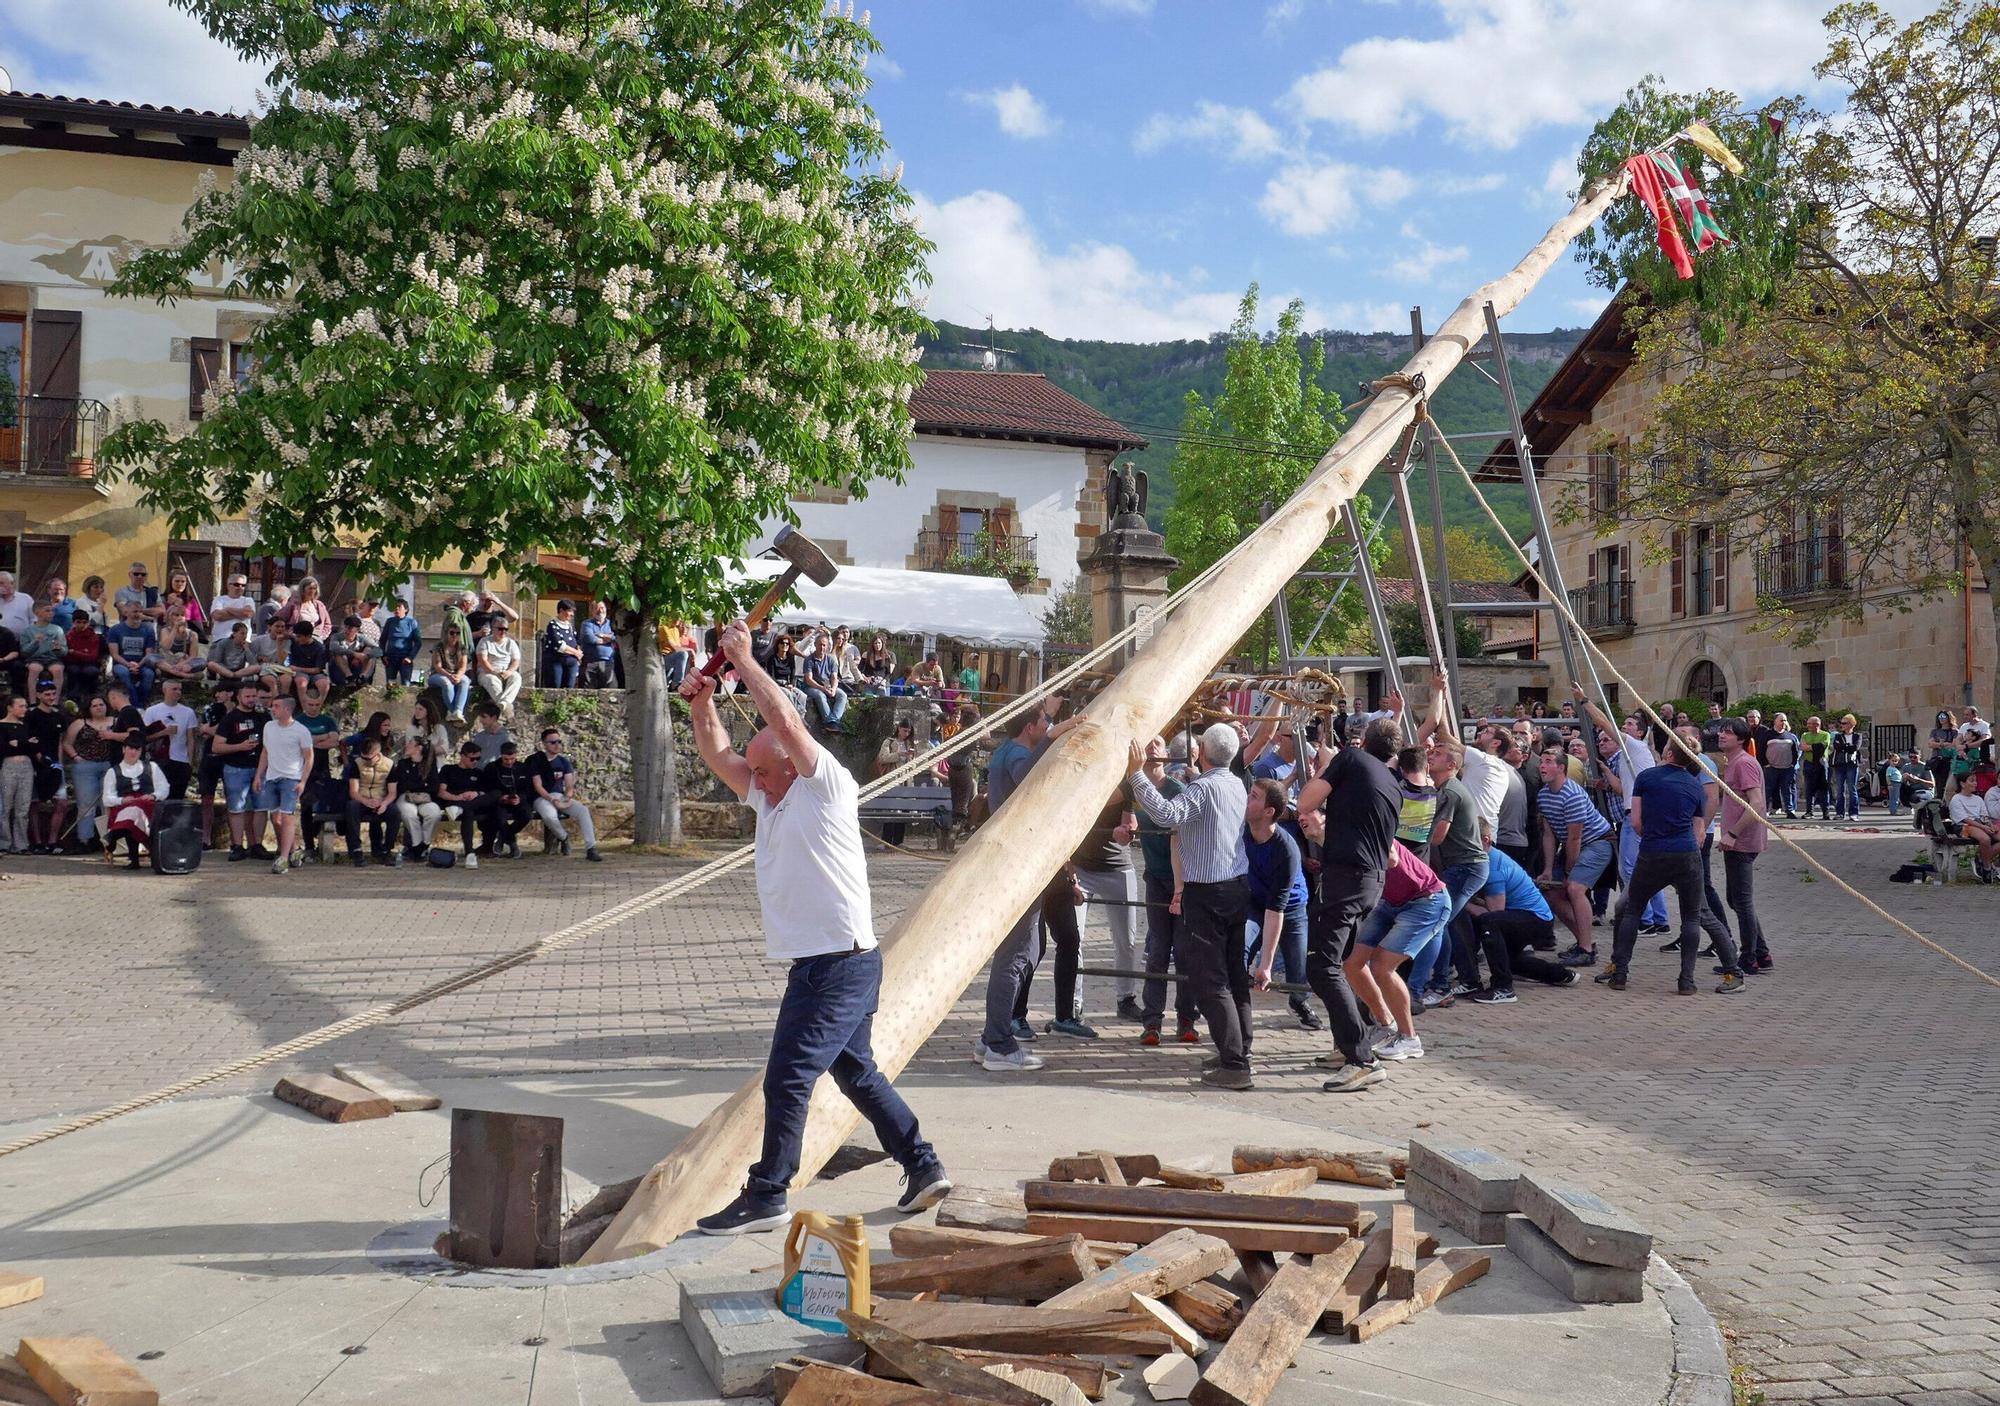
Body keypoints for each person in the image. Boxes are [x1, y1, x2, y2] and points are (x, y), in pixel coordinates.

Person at [679, 621, 951, 1234]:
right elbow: (720, 753)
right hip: (829, 960)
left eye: (763, 771)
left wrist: (745, 664)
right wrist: (702, 704)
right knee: (855, 1071)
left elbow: (789, 725)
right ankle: (923, 1164)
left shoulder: (824, 786)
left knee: (788, 1077)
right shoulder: (770, 797)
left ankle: (768, 1193)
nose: (754, 781)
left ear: (787, 765)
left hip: (838, 961)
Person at [1126, 723, 1255, 1091]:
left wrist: (1137, 775)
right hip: (1234, 886)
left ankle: (1234, 1063)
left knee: (1209, 979)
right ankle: (1239, 1050)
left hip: (1208, 891)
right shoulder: (1235, 783)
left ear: (1201, 749)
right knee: (1233, 975)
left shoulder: (1205, 787)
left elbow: (1167, 815)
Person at [1292, 710, 1402, 1094]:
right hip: (1371, 881)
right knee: (1337, 965)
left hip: (1346, 881)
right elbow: (1386, 853)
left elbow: (1305, 803)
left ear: (1364, 741)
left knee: (1322, 967)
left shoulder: (1351, 760)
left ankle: (1361, 1058)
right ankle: (1346, 1046)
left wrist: (1325, 772)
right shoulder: (1392, 782)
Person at [1600, 736, 1746, 994]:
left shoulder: (1646, 778)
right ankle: (1688, 981)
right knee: (1694, 916)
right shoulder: (1694, 786)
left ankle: (1620, 972)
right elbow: (1699, 830)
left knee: (1631, 910)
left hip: (1652, 853)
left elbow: (1635, 822)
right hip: (1686, 854)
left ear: (1668, 754)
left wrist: (1655, 836)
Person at [974, 701, 1060, 1072]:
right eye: (1045, 721)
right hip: (1017, 862)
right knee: (1014, 954)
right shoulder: (1016, 753)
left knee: (1031, 946)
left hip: (1018, 860)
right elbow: (1029, 777)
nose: (1049, 724)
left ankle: (991, 1036)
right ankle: (999, 1043)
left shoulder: (1006, 750)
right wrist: (1055, 737)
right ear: (1030, 727)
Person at [1573, 684, 1668, 934]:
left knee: (1629, 868)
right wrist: (1607, 777)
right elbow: (1624, 789)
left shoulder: (1634, 746)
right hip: (1642, 811)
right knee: (1647, 868)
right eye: (1623, 725)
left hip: (1635, 815)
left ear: (1638, 733)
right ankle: (1660, 919)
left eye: (1628, 725)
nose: (1623, 728)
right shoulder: (1634, 756)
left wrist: (1585, 701)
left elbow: (1604, 723)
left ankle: (1644, 920)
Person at [1346, 840, 1448, 1062]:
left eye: (1309, 813)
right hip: (1389, 901)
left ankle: (1410, 1039)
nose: (1302, 818)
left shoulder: (1367, 827)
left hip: (1427, 900)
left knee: (1382, 967)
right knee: (1352, 962)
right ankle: (1386, 1025)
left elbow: (1391, 859)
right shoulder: (1334, 839)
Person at [1133, 734, 1201, 1047]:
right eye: (1146, 743)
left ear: (1166, 753)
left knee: (1186, 951)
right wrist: (1123, 832)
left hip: (1183, 882)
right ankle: (1152, 1022)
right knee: (1158, 951)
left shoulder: (1178, 790)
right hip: (1155, 879)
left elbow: (1184, 835)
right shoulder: (1133, 789)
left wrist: (1182, 887)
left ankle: (1187, 1018)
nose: (1151, 747)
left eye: (1157, 742)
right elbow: (1123, 828)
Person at [1067, 772, 1144, 1028]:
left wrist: (1127, 833)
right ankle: (1074, 1003)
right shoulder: (1076, 778)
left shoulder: (1125, 781)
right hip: (1082, 868)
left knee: (1127, 939)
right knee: (1074, 939)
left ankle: (1126, 998)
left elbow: (1129, 822)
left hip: (1117, 868)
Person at [1243, 777, 1320, 1031]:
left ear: (1269, 812)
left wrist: (1265, 966)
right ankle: (1231, 1004)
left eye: (1254, 796)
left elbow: (1276, 910)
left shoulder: (1286, 849)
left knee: (1297, 972)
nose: (1247, 799)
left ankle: (1299, 1003)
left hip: (1291, 909)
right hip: (1256, 902)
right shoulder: (1242, 830)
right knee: (1239, 949)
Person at [1464, 848, 1576, 1003]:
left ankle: (1503, 988)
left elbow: (1494, 913)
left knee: (1489, 923)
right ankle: (1561, 975)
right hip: (1532, 916)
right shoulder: (1489, 857)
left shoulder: (1493, 867)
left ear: (1486, 840)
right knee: (1510, 962)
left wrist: (1462, 902)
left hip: (1536, 919)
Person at [1536, 744, 1615, 966]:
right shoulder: (1544, 796)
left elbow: (1575, 838)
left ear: (1561, 768)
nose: (1542, 766)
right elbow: (1550, 835)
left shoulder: (1572, 795)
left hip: (1598, 842)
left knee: (1574, 888)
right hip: (1574, 844)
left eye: (1548, 762)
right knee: (1551, 891)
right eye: (1541, 762)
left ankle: (1586, 949)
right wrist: (1549, 869)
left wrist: (1570, 869)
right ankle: (1584, 941)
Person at [1717, 719, 1771, 972]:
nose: (1722, 736)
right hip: (1737, 842)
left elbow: (1757, 803)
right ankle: (1761, 953)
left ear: (1741, 739)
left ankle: (1748, 958)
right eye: (1721, 732)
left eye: (1728, 733)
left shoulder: (1744, 763)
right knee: (1736, 899)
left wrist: (1733, 834)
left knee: (1741, 900)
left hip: (1743, 842)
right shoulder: (1733, 763)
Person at [254, 693, 316, 874]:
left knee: (287, 817)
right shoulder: (268, 727)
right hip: (272, 777)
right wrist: (259, 775)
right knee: (276, 818)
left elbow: (309, 757)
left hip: (291, 778)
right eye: (273, 706)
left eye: (276, 706)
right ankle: (295, 850)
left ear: (288, 709)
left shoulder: (301, 731)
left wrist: (303, 781)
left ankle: (283, 858)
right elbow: (265, 752)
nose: (272, 709)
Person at [212, 682, 270, 861]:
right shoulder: (231, 718)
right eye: (248, 696)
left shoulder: (263, 716)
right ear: (238, 697)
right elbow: (217, 746)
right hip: (236, 768)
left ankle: (257, 845)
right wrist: (240, 746)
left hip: (260, 768)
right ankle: (237, 845)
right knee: (236, 808)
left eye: (254, 696)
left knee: (261, 808)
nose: (252, 700)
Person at [530, 727, 602, 860]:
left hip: (559, 796)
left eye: (559, 741)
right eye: (553, 742)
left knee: (583, 811)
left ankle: (591, 848)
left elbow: (569, 784)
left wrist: (567, 797)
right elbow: (538, 786)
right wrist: (552, 800)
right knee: (549, 816)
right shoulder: (536, 761)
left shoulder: (564, 762)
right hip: (542, 797)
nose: (557, 745)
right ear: (544, 744)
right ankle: (564, 837)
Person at [100, 735, 169, 866]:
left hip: (148, 808)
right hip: (122, 809)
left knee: (137, 807)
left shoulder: (152, 767)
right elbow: (107, 798)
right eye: (130, 748)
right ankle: (133, 857)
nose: (133, 752)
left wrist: (153, 796)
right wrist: (122, 800)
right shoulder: (113, 772)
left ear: (141, 751)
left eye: (137, 749)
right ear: (123, 749)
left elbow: (164, 788)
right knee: (133, 811)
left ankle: (113, 837)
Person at [438, 739, 497, 867]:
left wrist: (476, 794)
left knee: (495, 795)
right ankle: (469, 853)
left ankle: (462, 808)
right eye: (472, 759)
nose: (475, 761)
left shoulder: (478, 773)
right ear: (463, 756)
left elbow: (486, 792)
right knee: (468, 812)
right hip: (454, 802)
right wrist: (457, 797)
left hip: (473, 803)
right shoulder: (448, 770)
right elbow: (442, 792)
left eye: (478, 758)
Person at [143, 678, 198, 800]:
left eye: (180, 689)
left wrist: (189, 761)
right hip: (159, 760)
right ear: (165, 690)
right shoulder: (152, 711)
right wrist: (164, 732)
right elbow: (144, 738)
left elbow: (190, 739)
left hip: (181, 761)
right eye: (174, 689)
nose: (178, 692)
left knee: (177, 797)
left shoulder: (188, 712)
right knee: (159, 797)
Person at [391, 736, 442, 860]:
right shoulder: (403, 764)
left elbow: (434, 786)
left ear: (418, 748)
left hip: (425, 798)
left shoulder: (430, 765)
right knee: (409, 814)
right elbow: (402, 784)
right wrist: (420, 787)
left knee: (434, 813)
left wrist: (421, 790)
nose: (407, 745)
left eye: (410, 743)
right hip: (406, 797)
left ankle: (425, 843)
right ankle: (417, 845)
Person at [482, 739, 534, 857]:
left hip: (518, 801)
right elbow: (487, 788)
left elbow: (528, 789)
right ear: (501, 756)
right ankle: (512, 843)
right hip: (499, 802)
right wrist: (501, 798)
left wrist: (519, 798)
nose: (509, 762)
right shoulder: (492, 768)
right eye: (506, 759)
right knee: (499, 818)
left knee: (527, 815)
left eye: (512, 759)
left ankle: (503, 837)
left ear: (516, 756)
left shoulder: (523, 768)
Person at [0, 693, 34, 854]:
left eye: (25, 706)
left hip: (26, 767)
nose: (24, 709)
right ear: (10, 707)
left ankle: (21, 844)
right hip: (7, 766)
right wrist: (23, 744)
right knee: (5, 807)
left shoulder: (25, 726)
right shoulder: (1, 726)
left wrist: (19, 744)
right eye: (20, 706)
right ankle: (4, 842)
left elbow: (33, 746)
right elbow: (4, 747)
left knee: (22, 808)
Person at [105, 604, 158, 704]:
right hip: (121, 663)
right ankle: (135, 704)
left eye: (139, 612)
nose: (137, 614)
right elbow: (114, 654)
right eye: (134, 612)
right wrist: (128, 664)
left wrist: (139, 665)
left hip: (142, 663)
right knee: (123, 673)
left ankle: (141, 703)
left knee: (149, 674)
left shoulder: (148, 629)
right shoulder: (115, 630)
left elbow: (149, 653)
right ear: (126, 613)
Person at [476, 617, 524, 718]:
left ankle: (504, 703)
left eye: (506, 629)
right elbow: (483, 661)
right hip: (487, 672)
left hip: (505, 671)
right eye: (500, 629)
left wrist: (509, 672)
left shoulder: (511, 643)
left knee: (517, 677)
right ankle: (505, 708)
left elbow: (516, 661)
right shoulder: (484, 642)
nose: (503, 632)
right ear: (493, 629)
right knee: (492, 681)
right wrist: (494, 672)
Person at [801, 629, 848, 732]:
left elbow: (834, 677)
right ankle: (829, 722)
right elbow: (808, 679)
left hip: (827, 685)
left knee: (842, 695)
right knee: (820, 695)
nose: (822, 647)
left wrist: (834, 689)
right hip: (811, 687)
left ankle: (833, 720)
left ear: (827, 646)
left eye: (824, 645)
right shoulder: (809, 660)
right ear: (815, 645)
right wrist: (822, 688)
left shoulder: (830, 660)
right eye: (820, 645)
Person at [1759, 712, 1801, 818]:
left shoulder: (1791, 736)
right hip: (1771, 768)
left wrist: (1792, 764)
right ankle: (1765, 810)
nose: (1784, 722)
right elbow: (1761, 750)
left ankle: (1789, 810)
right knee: (1768, 789)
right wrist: (1766, 764)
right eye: (1781, 720)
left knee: (1787, 790)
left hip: (1787, 768)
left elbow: (1796, 752)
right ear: (1775, 721)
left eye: (1785, 720)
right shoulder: (1767, 735)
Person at [428, 631, 474, 723]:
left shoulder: (462, 647)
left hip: (455, 674)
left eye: (457, 633)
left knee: (465, 681)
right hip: (438, 675)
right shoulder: (439, 646)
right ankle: (454, 711)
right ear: (446, 634)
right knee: (447, 683)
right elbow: (438, 666)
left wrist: (458, 675)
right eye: (452, 633)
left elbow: (463, 666)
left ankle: (457, 712)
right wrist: (449, 675)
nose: (454, 635)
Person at [277, 574, 333, 642]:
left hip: (315, 640)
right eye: (310, 588)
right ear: (303, 589)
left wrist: (321, 636)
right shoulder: (293, 605)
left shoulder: (319, 605)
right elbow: (277, 619)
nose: (312, 591)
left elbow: (327, 624)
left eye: (314, 588)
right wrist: (289, 634)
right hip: (297, 640)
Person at [378, 597, 421, 685]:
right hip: (390, 659)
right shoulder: (390, 621)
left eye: (399, 607)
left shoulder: (411, 622)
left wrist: (410, 657)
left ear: (406, 609)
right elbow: (382, 640)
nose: (396, 609)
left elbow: (418, 642)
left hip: (405, 659)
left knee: (406, 684)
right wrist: (383, 656)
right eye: (395, 607)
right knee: (390, 685)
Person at [1828, 713, 1863, 821]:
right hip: (1839, 765)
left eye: (1844, 723)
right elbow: (1837, 747)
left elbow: (1855, 748)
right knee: (1840, 789)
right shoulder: (1838, 736)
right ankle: (1840, 813)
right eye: (1841, 723)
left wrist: (1845, 747)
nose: (1841, 725)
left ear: (1851, 724)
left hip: (1852, 765)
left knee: (1852, 789)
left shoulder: (1857, 736)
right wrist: (1847, 747)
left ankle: (1854, 813)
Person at [327, 615, 379, 689]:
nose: (346, 630)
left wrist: (364, 656)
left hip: (356, 667)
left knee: (369, 650)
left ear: (357, 630)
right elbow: (333, 647)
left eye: (350, 628)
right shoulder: (336, 637)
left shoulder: (362, 638)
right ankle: (349, 677)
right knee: (339, 653)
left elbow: (378, 649)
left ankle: (363, 677)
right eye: (346, 627)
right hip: (338, 670)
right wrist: (354, 654)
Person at [542, 600, 584, 689]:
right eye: (570, 611)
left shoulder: (570, 626)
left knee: (570, 687)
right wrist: (576, 653)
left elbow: (576, 641)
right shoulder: (552, 625)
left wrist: (579, 650)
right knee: (556, 686)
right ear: (561, 610)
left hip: (571, 663)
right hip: (556, 661)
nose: (572, 614)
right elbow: (559, 645)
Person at [579, 600, 620, 688]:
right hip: (590, 662)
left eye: (602, 608)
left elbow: (616, 638)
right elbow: (590, 638)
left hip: (608, 662)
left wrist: (601, 635)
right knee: (588, 692)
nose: (600, 611)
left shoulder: (612, 624)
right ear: (592, 611)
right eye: (597, 608)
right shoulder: (586, 624)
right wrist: (608, 639)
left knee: (610, 692)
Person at [1799, 715, 1833, 819]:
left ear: (1817, 725)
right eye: (1808, 723)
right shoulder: (1805, 735)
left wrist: (1810, 747)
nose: (1808, 726)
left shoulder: (1825, 734)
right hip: (1809, 763)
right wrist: (1814, 747)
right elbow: (1802, 747)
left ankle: (1825, 812)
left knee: (1823, 788)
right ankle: (1809, 811)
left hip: (1821, 764)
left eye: (1810, 724)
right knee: (1809, 788)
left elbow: (1823, 747)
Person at [64, 611, 103, 701]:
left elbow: (93, 656)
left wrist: (74, 652)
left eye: (84, 622)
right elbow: (66, 655)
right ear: (73, 623)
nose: (82, 625)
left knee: (91, 671)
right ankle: (73, 697)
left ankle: (90, 696)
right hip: (73, 664)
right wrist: (83, 653)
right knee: (74, 670)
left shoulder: (93, 637)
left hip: (89, 664)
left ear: (88, 623)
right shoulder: (68, 636)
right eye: (78, 622)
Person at [210, 572, 256, 637]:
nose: (240, 587)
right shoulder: (219, 599)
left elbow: (247, 614)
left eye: (243, 585)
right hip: (220, 638)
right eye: (236, 584)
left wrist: (228, 609)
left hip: (242, 640)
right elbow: (218, 616)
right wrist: (240, 614)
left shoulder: (248, 600)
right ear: (228, 585)